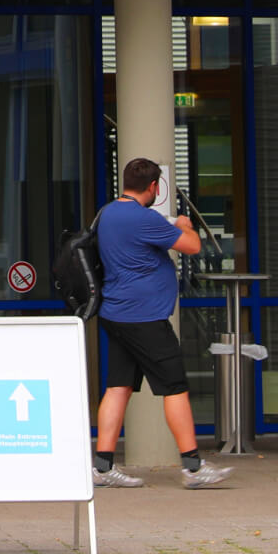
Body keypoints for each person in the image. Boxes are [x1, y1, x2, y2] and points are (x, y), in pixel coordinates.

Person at [92, 157, 234, 490]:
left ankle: (102, 467)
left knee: (118, 386)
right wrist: (184, 224)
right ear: (154, 187)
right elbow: (193, 246)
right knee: (175, 387)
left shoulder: (108, 213)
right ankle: (193, 468)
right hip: (145, 319)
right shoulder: (145, 219)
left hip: (116, 314)